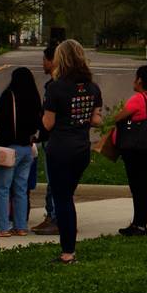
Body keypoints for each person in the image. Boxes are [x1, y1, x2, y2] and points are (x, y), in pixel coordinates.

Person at [41, 39, 104, 263]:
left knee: (63, 199)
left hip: (60, 147)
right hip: (81, 147)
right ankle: (69, 248)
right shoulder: (92, 88)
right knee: (68, 197)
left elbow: (48, 123)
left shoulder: (55, 87)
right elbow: (96, 120)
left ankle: (68, 251)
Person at [111, 61, 147, 235]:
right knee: (141, 184)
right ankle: (139, 223)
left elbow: (119, 117)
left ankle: (139, 224)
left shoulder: (138, 99)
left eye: (135, 79)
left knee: (138, 187)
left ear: (140, 80)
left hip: (134, 148)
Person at [0, 67, 43, 237]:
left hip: (10, 147)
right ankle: (21, 226)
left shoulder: (9, 96)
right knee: (21, 189)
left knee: (2, 188)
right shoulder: (35, 98)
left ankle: (3, 227)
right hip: (27, 148)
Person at [31, 41, 62, 236]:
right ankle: (52, 216)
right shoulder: (57, 85)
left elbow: (49, 120)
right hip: (57, 139)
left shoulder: (54, 87)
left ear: (53, 61)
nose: (42, 63)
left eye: (44, 59)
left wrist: (41, 130)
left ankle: (55, 216)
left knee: (54, 180)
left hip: (54, 139)